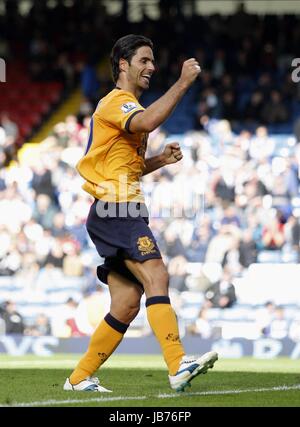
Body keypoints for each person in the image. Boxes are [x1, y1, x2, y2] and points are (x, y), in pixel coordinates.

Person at [64, 34, 218, 393]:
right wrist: (182, 82)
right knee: (157, 275)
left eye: (153, 61)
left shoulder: (128, 107)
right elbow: (148, 122)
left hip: (117, 210)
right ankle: (178, 364)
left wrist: (159, 161)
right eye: (144, 61)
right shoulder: (118, 102)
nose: (151, 67)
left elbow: (125, 166)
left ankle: (79, 378)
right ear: (123, 64)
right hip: (116, 211)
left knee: (127, 303)